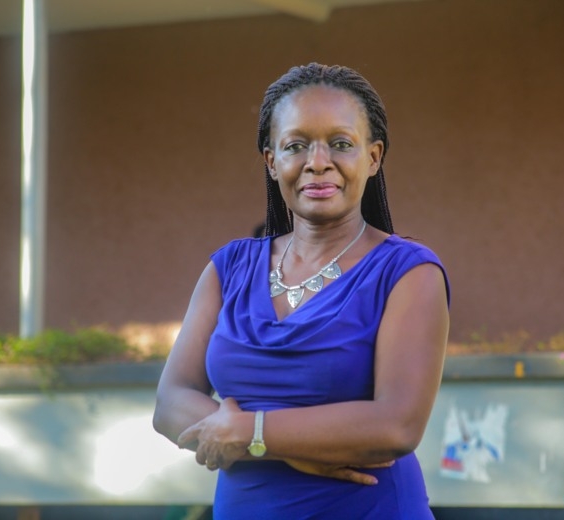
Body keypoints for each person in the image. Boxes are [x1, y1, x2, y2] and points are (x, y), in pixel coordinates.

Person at [153, 63, 450, 519]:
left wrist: (250, 430)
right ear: (272, 161)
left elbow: (396, 425)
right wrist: (277, 447)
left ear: (373, 158)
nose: (317, 162)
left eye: (341, 144)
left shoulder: (407, 272)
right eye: (295, 146)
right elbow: (170, 402)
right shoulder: (229, 267)